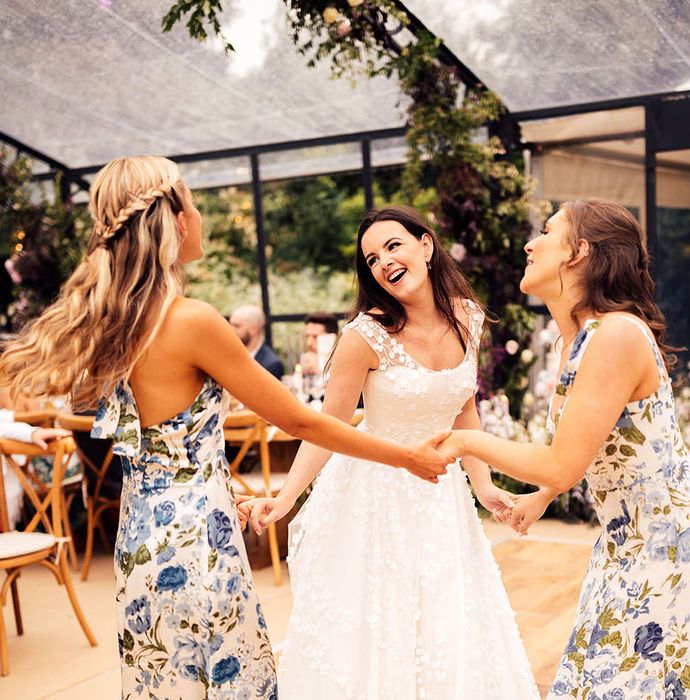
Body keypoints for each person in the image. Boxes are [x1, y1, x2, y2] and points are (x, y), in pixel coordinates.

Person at [0, 158, 451, 700]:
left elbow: (161, 443)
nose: (199, 214)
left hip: (141, 540)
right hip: (199, 548)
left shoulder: (113, 321)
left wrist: (220, 484)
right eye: (192, 202)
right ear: (175, 221)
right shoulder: (191, 320)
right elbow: (300, 419)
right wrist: (405, 456)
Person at [240, 205, 541, 699]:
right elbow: (326, 428)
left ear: (426, 246)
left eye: (393, 246)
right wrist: (287, 495)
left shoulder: (468, 317)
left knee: (446, 622)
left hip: (442, 500)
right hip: (374, 502)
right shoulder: (365, 336)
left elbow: (462, 405)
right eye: (372, 258)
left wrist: (483, 486)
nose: (383, 262)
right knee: (382, 630)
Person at [441, 199, 690, 698]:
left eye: (547, 232)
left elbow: (562, 460)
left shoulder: (616, 334)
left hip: (668, 540)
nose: (530, 244)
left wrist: (465, 440)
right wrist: (541, 497)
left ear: (579, 252)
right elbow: (589, 449)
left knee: (625, 679)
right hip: (627, 536)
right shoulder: (575, 340)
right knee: (601, 673)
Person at [229, 304, 284, 379]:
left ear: (253, 329)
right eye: (230, 325)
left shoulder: (271, 365)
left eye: (236, 326)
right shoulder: (230, 356)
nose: (230, 330)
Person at [299, 311, 338, 376]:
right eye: (307, 336)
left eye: (315, 337)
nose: (309, 343)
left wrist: (319, 370)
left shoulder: (342, 360)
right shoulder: (307, 359)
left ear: (332, 337)